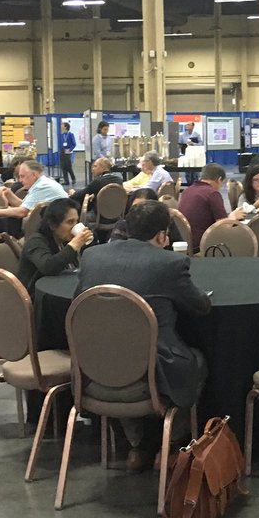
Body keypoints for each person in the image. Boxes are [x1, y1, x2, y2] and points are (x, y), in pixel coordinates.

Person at [76, 201, 211, 469]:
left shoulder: (92, 256)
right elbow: (200, 306)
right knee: (197, 362)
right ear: (162, 235)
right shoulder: (170, 263)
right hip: (153, 371)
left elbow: (77, 304)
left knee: (125, 361)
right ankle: (171, 444)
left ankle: (136, 445)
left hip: (95, 369)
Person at [17, 198, 93, 294]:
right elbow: (48, 267)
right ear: (52, 225)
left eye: (76, 221)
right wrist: (74, 245)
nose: (74, 226)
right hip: (39, 296)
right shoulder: (35, 241)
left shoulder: (64, 238)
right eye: (70, 222)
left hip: (64, 286)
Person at [177, 163, 244, 250]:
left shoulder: (187, 191)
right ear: (219, 180)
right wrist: (233, 216)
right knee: (241, 238)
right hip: (204, 244)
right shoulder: (212, 193)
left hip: (185, 243)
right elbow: (223, 227)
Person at [0, 160, 68, 220]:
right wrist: (9, 194)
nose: (20, 180)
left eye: (22, 176)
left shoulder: (42, 186)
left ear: (34, 175)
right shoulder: (41, 182)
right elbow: (25, 206)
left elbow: (22, 212)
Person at [58, 122, 77, 187]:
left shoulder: (71, 134)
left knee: (68, 167)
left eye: (62, 125)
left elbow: (74, 144)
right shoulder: (61, 135)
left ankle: (73, 178)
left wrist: (70, 149)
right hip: (62, 152)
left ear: (66, 126)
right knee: (63, 167)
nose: (61, 126)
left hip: (68, 152)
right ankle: (66, 181)